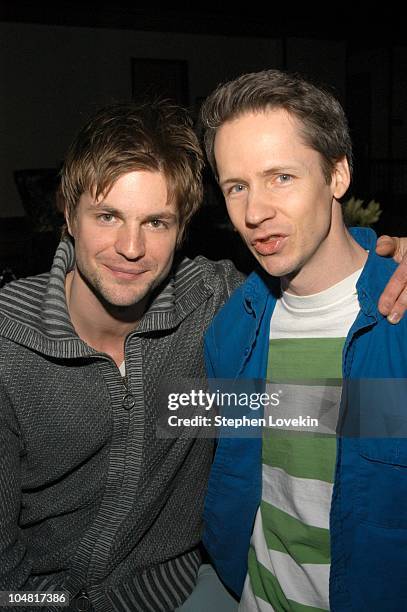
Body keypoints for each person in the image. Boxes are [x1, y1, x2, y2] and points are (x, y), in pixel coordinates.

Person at [0, 100, 243, 611]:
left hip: (185, 591)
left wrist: (381, 263)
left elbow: (333, 401)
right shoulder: (8, 347)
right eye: (108, 216)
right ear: (68, 214)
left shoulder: (214, 304)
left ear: (182, 231)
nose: (130, 247)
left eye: (156, 222)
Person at [200, 70, 407, 611]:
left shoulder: (397, 316)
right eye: (236, 186)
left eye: (281, 177)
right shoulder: (232, 328)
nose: (254, 212)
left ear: (337, 175)